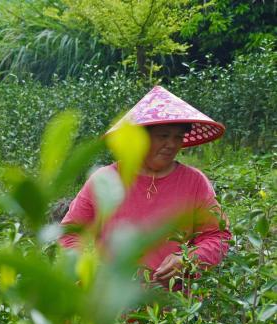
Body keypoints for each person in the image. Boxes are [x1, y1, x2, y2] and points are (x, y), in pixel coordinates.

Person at [59, 86, 231, 287]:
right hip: (112, 303)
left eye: (177, 137)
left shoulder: (194, 182)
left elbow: (218, 236)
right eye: (163, 136)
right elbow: (70, 234)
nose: (171, 144)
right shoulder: (105, 180)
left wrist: (189, 259)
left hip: (176, 308)